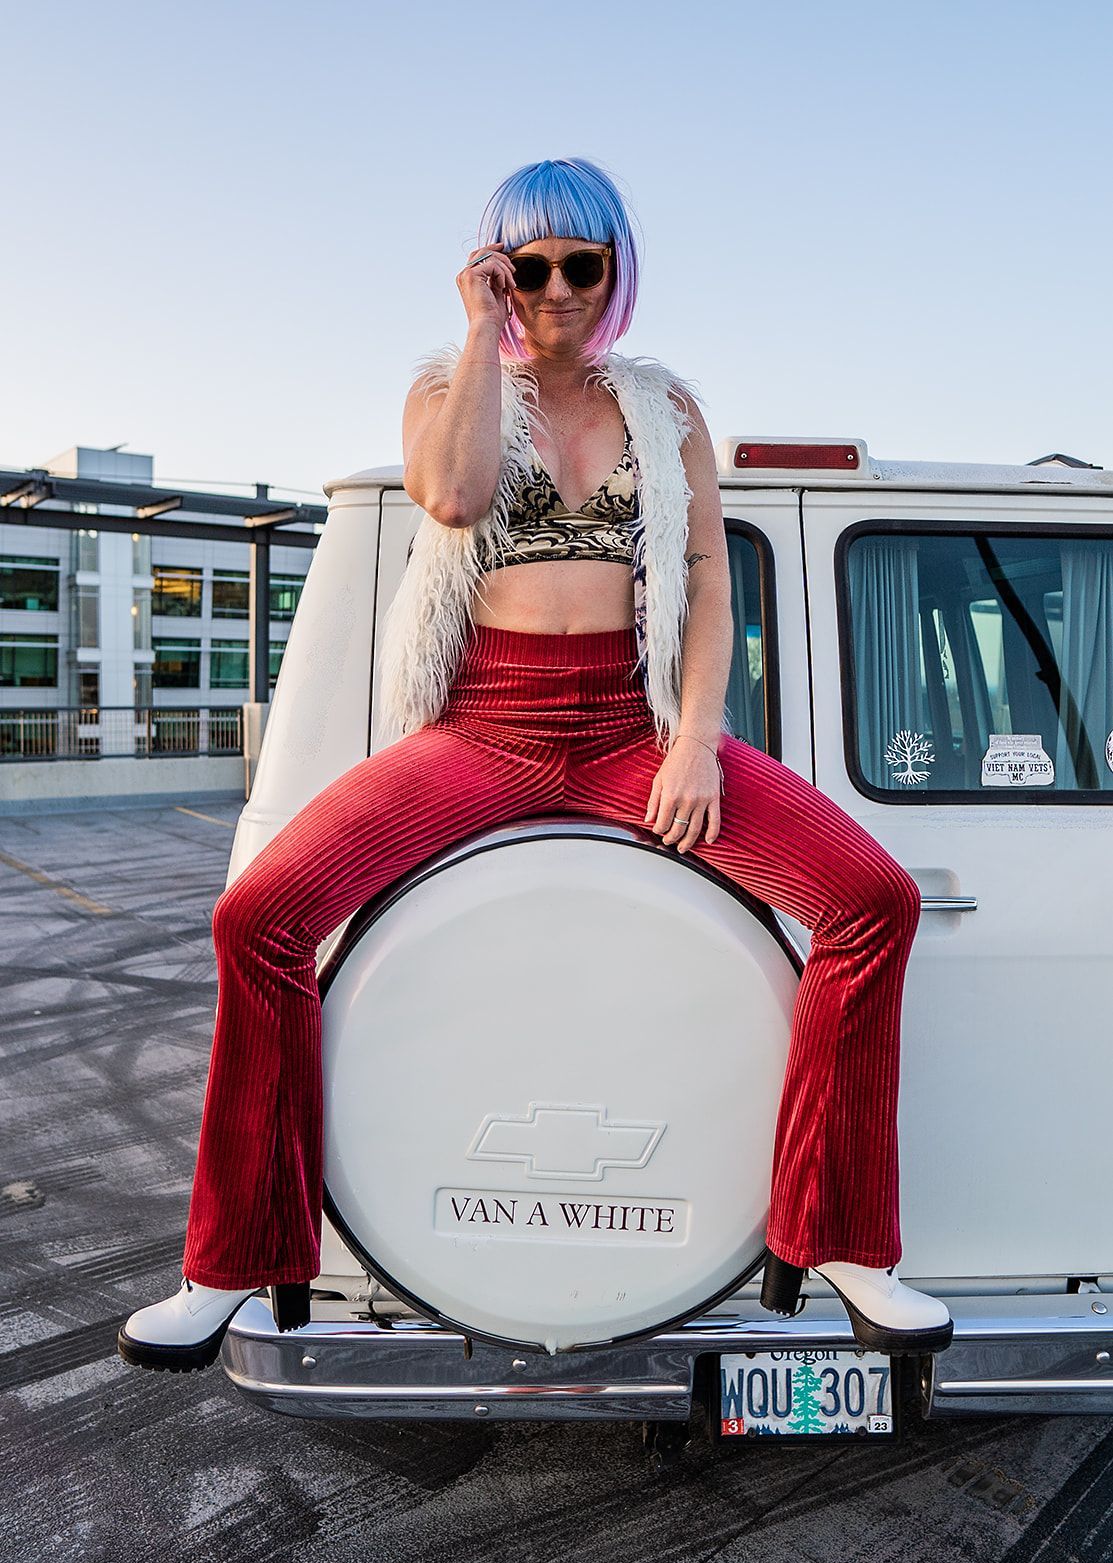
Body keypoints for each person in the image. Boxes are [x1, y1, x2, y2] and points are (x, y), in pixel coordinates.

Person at [118, 157, 953, 1373]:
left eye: (583, 264)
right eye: (530, 265)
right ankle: (232, 1262)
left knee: (874, 902)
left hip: (625, 724)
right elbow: (450, 500)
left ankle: (838, 1240)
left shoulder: (665, 409)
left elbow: (711, 578)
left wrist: (695, 740)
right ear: (496, 267)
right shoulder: (443, 390)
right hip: (480, 726)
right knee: (258, 918)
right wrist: (476, 331)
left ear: (617, 269)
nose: (557, 289)